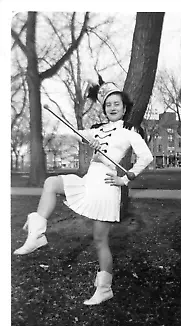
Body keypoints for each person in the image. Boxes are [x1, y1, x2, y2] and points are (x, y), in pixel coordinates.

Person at [13, 79, 153, 305]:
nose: (112, 108)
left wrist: (125, 178)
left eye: (117, 104)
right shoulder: (97, 130)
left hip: (107, 188)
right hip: (89, 182)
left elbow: (146, 157)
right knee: (52, 183)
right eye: (108, 105)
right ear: (104, 109)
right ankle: (38, 235)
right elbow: (74, 133)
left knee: (100, 240)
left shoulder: (130, 132)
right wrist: (53, 119)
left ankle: (104, 289)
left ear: (124, 108)